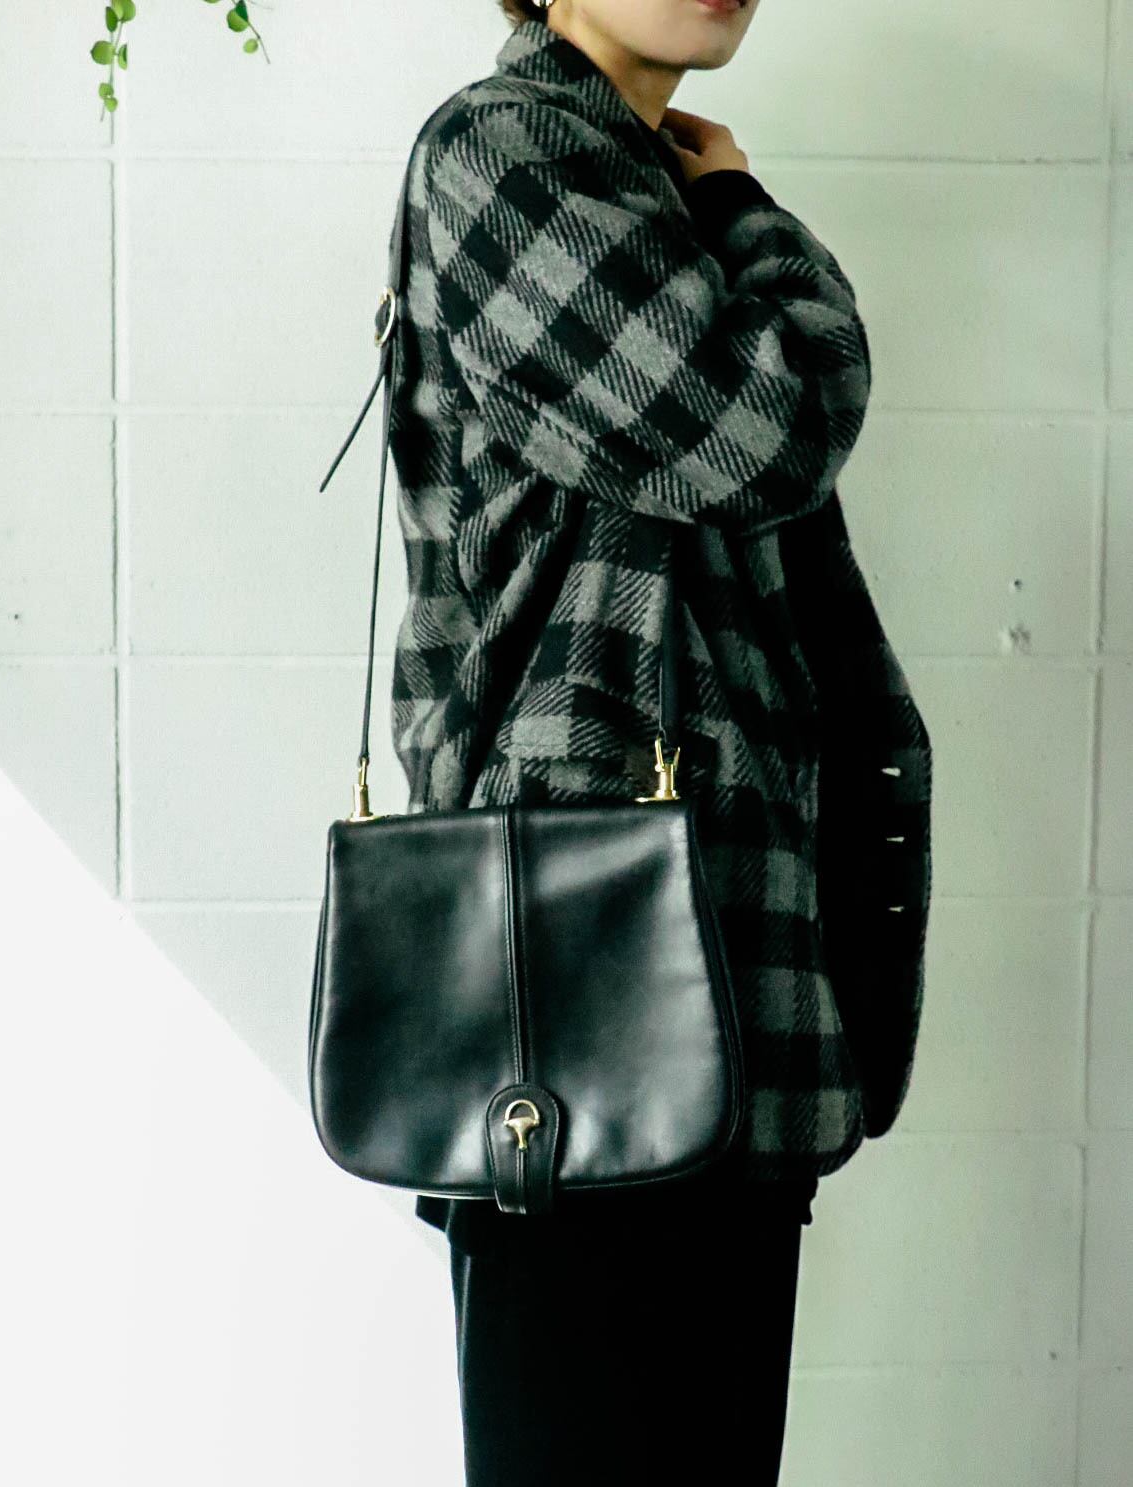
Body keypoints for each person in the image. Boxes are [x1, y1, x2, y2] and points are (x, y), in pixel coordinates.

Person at [387, 1, 934, 1481]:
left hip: (735, 979)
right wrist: (744, 204)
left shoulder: (643, 190)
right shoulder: (503, 152)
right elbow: (765, 425)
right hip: (572, 1000)